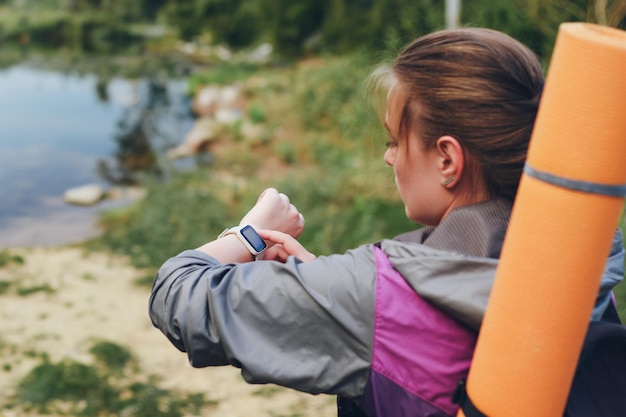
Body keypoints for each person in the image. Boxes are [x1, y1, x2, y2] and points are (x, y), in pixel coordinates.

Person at [149, 28, 624, 417]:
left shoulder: (373, 294)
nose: (388, 156)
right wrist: (329, 285)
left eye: (396, 138)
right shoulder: (581, 259)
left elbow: (177, 295)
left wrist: (248, 232)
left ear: (447, 160)